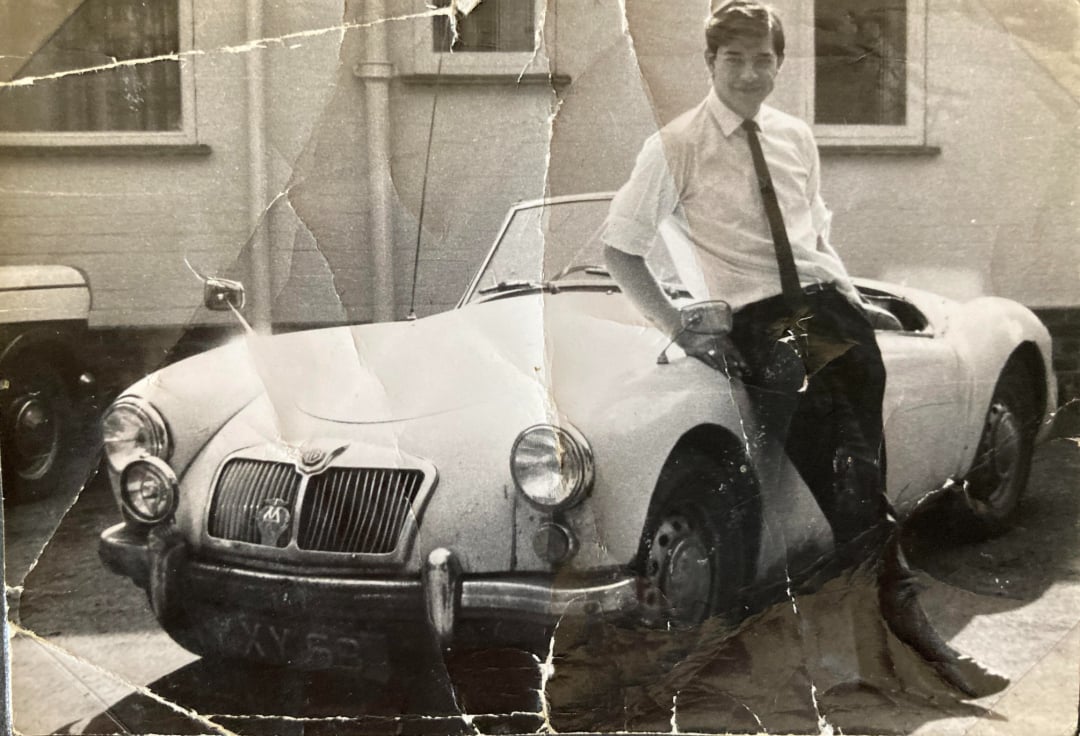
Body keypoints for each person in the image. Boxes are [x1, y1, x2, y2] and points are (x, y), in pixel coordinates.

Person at [601, 0, 1006, 699]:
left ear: (780, 65)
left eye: (764, 60)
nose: (751, 73)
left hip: (833, 316)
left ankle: (874, 654)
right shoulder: (674, 146)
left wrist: (854, 298)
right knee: (849, 486)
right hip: (766, 324)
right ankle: (912, 646)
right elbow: (621, 248)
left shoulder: (795, 137)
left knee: (860, 479)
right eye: (735, 60)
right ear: (710, 63)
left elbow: (812, 239)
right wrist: (678, 328)